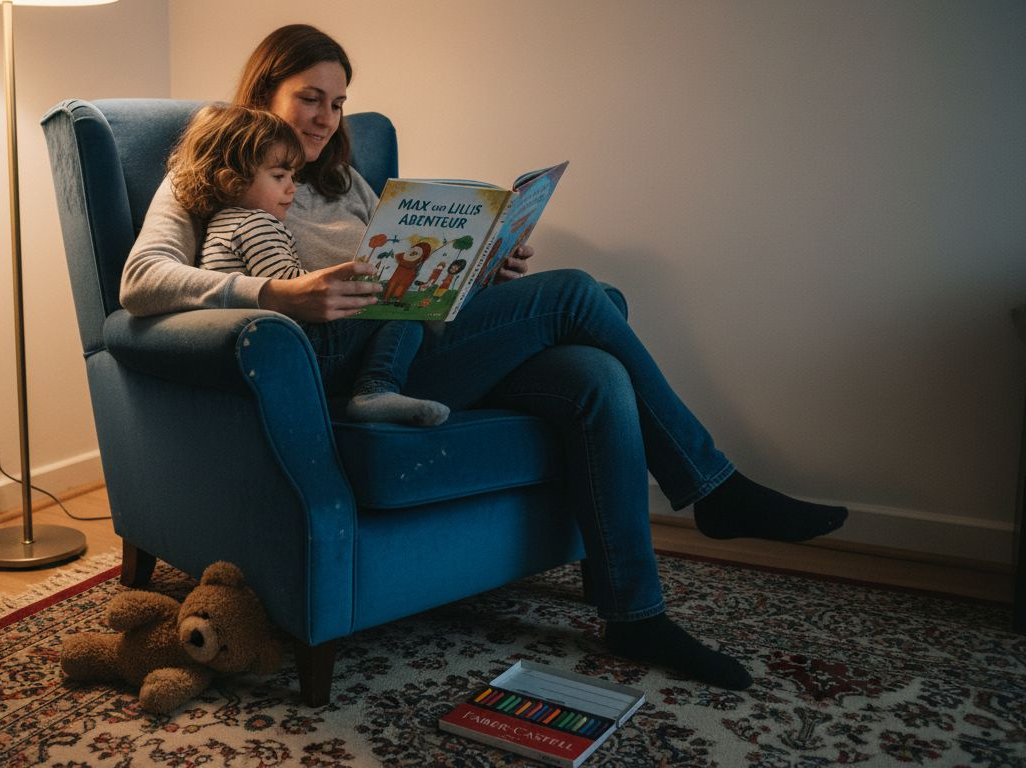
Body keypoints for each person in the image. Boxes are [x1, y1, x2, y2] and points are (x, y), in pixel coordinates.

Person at [119, 24, 849, 690]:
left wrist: (478, 267)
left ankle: (636, 614)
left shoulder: (345, 179)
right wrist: (275, 293)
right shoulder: (218, 169)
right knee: (575, 294)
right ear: (264, 93)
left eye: (338, 103)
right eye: (309, 98)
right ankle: (713, 488)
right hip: (335, 368)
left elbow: (401, 271)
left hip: (415, 350)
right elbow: (140, 282)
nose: (325, 118)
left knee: (595, 374)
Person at [168, 102, 448, 426]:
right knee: (402, 306)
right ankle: (376, 388)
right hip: (304, 349)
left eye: (292, 175)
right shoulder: (256, 223)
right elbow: (293, 289)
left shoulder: (221, 223)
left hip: (268, 351)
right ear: (232, 182)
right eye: (279, 176)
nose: (292, 187)